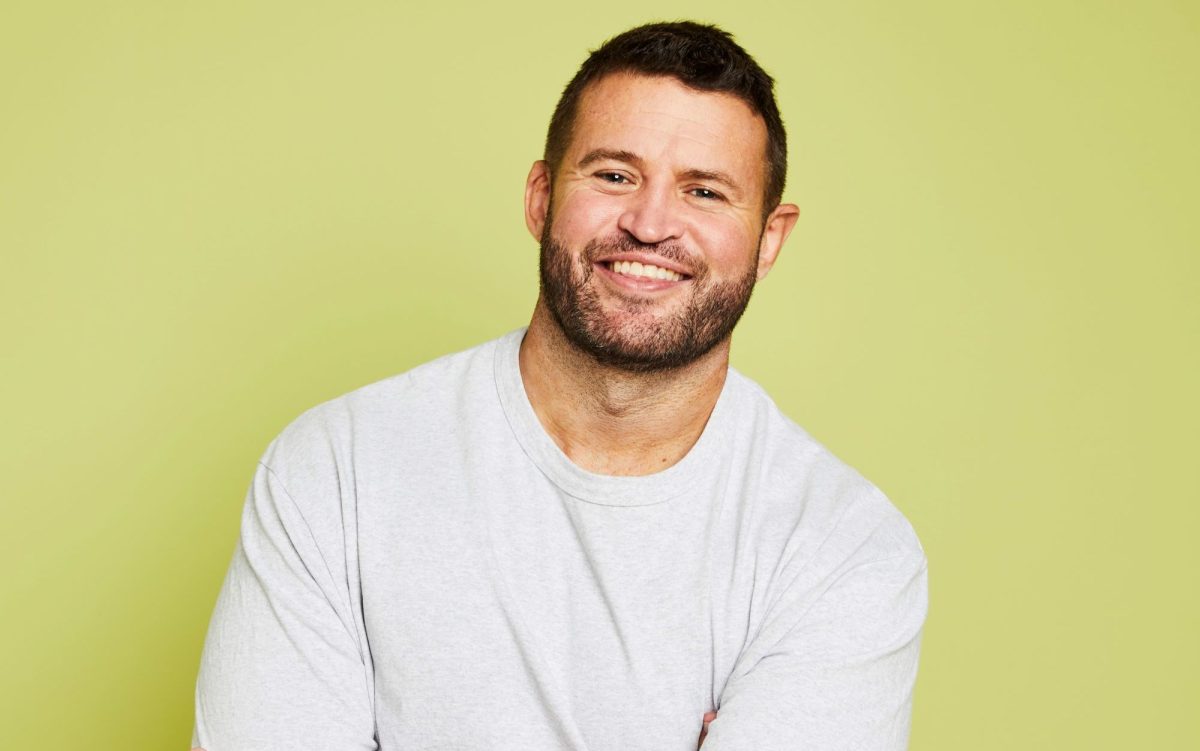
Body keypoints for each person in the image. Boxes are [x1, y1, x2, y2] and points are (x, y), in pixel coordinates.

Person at [191, 20, 928, 751]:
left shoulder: (845, 549)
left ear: (769, 239)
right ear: (541, 197)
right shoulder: (334, 472)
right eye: (614, 175)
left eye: (705, 191)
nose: (648, 223)